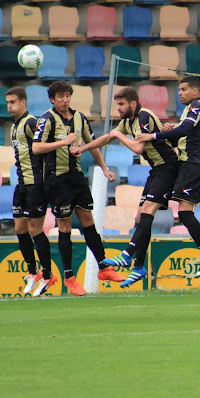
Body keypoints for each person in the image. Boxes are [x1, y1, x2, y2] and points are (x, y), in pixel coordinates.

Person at [71, 87, 179, 288]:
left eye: (121, 104)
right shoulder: (128, 122)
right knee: (140, 218)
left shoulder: (144, 116)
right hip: (157, 169)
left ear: (133, 104)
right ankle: (138, 267)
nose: (118, 108)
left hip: (168, 167)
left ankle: (128, 254)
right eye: (117, 104)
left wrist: (119, 135)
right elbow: (107, 138)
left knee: (147, 212)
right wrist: (82, 148)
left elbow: (138, 148)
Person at [32, 81, 124, 296]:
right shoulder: (46, 119)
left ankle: (103, 267)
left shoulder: (79, 118)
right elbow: (36, 148)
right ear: (52, 100)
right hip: (56, 179)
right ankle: (69, 277)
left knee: (88, 220)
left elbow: (92, 144)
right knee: (65, 227)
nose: (65, 100)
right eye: (60, 97)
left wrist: (104, 168)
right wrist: (62, 143)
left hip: (76, 177)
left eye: (67, 96)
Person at [134, 76, 200, 282]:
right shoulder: (188, 110)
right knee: (183, 212)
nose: (179, 93)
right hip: (187, 165)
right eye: (178, 90)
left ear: (195, 91)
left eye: (183, 89)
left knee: (184, 212)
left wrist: (153, 136)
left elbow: (186, 130)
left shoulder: (197, 106)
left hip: (194, 165)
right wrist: (170, 130)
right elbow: (181, 134)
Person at [5, 87, 57, 297]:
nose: (9, 106)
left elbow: (46, 146)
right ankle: (32, 272)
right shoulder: (14, 126)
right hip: (22, 184)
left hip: (36, 184)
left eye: (13, 102)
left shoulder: (31, 123)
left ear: (23, 103)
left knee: (35, 230)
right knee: (20, 228)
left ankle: (48, 274)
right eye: (7, 102)